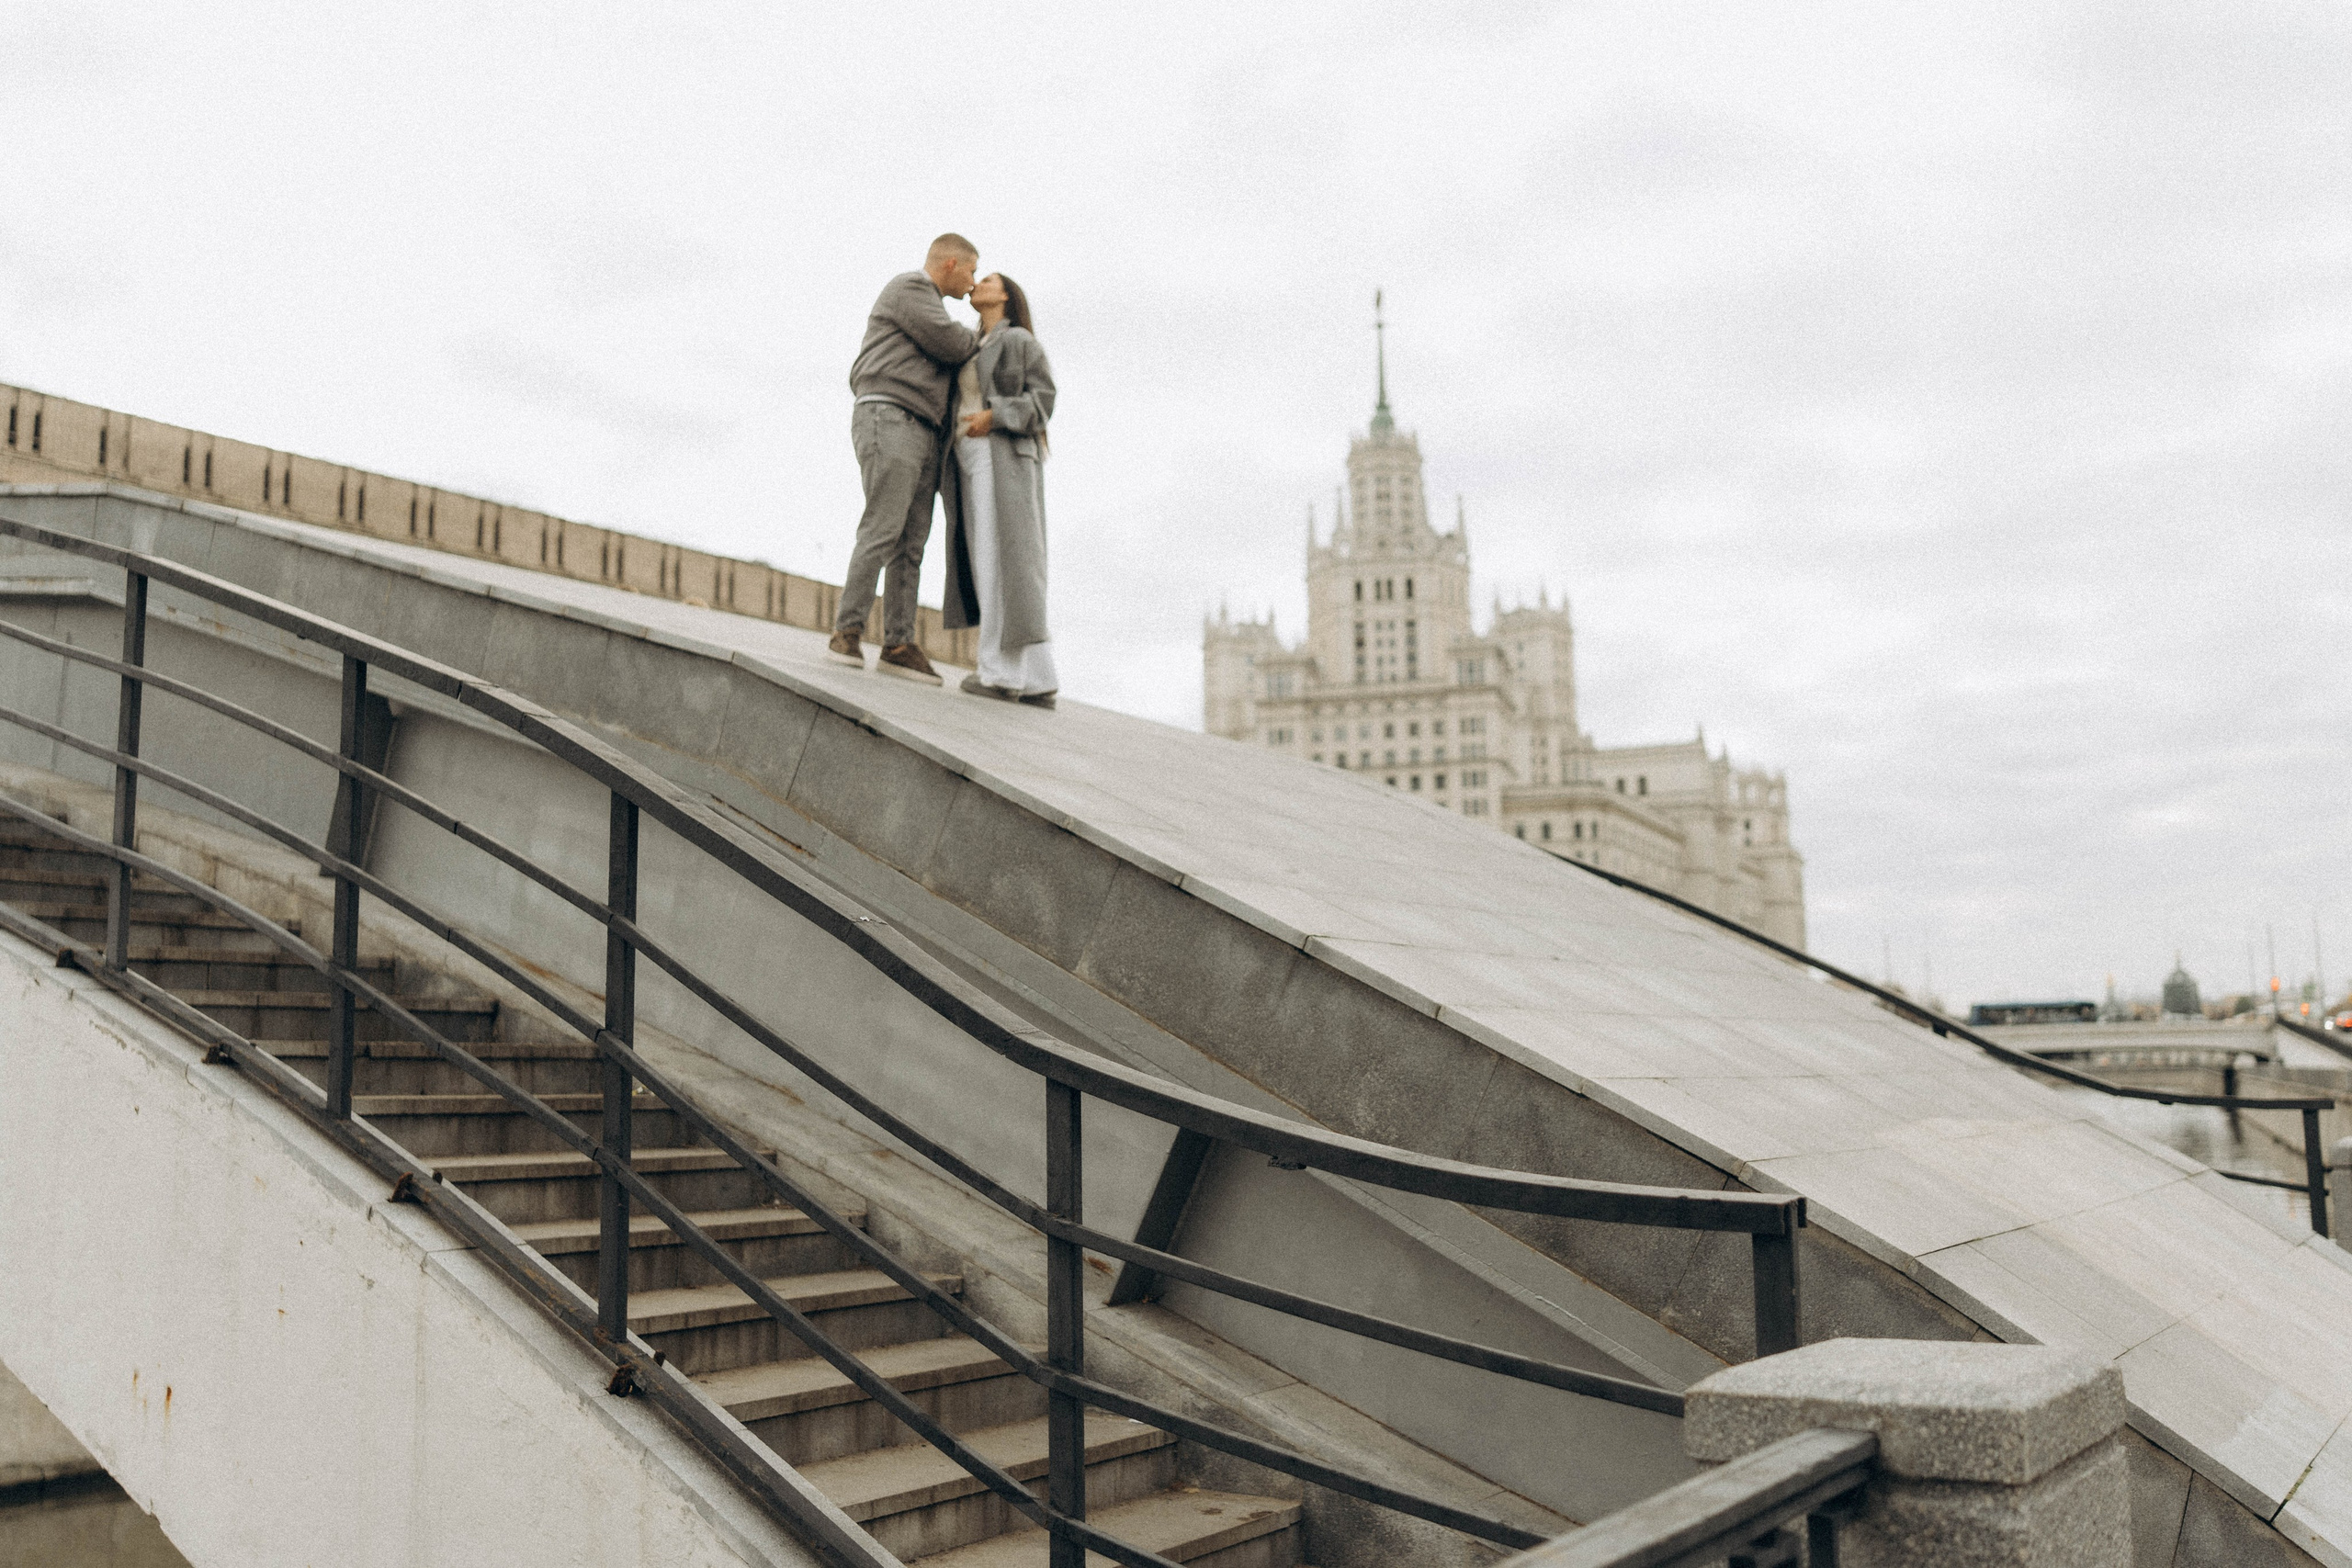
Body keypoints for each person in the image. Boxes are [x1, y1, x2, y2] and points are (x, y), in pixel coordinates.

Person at [831, 234, 981, 682]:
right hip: (891, 416)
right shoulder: (911, 288)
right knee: (884, 526)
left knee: (912, 541)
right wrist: (987, 333)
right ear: (951, 264)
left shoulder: (929, 302)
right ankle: (847, 631)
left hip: (922, 429)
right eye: (971, 271)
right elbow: (952, 343)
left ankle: (898, 643)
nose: (973, 283)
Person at [940, 272, 1057, 707]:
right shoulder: (974, 345)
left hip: (1000, 456)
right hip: (971, 458)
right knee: (1000, 561)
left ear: (1005, 294)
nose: (977, 284)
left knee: (1000, 561)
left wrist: (996, 415)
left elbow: (1043, 400)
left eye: (987, 280)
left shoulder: (1019, 341)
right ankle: (1038, 679)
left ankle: (1001, 674)